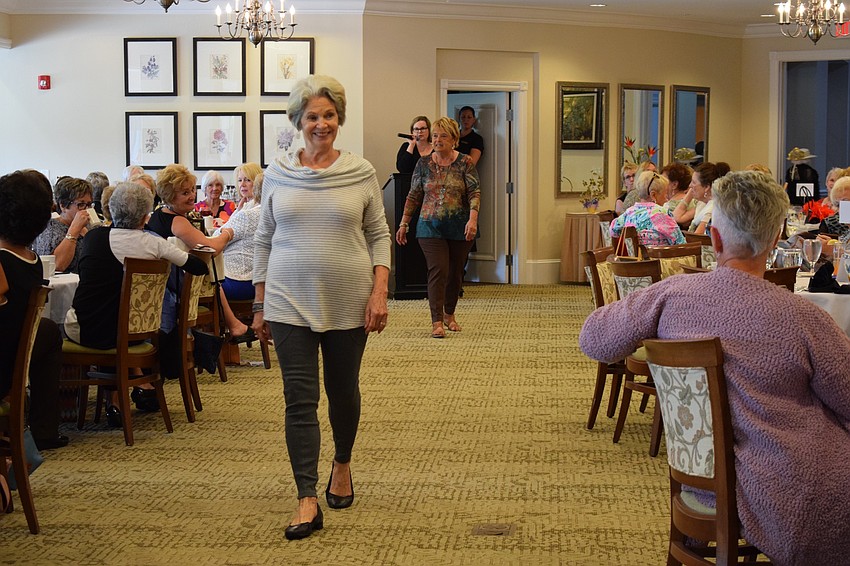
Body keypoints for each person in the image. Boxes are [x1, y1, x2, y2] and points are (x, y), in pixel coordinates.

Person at [579, 170, 850, 565]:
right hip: (794, 487)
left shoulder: (670, 295)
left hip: (703, 478)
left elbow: (594, 340)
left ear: (715, 238)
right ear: (774, 241)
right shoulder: (804, 318)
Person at [251, 75, 391, 541]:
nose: (321, 123)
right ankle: (306, 497)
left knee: (343, 391)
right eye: (312, 116)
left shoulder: (360, 171)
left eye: (329, 115)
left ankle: (343, 462)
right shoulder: (277, 173)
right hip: (288, 301)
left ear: (339, 119)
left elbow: (378, 235)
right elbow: (264, 238)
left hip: (349, 301)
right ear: (297, 121)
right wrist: (258, 302)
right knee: (299, 401)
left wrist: (379, 291)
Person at [64, 182, 208, 424]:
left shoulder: (94, 239)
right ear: (145, 216)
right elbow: (199, 267)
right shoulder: (155, 243)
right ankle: (139, 385)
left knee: (99, 314)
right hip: (139, 333)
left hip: (87, 330)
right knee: (118, 323)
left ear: (111, 209)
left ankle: (111, 400)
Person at [146, 164, 253, 379]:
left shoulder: (157, 216)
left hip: (157, 292)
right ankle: (231, 326)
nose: (192, 196)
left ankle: (232, 326)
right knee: (214, 279)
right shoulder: (178, 222)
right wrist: (228, 233)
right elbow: (210, 249)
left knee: (215, 280)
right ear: (169, 195)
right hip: (178, 296)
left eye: (192, 190)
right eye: (184, 192)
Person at [0, 170, 67, 450]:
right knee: (50, 330)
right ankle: (44, 427)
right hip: (15, 353)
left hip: (3, 359)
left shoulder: (2, 262)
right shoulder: (33, 260)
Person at [396, 116, 480, 338]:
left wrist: (473, 219)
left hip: (460, 225)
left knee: (454, 274)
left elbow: (474, 192)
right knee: (439, 270)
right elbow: (414, 195)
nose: (437, 139)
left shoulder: (465, 162)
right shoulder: (423, 164)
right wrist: (404, 222)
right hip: (429, 226)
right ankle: (436, 321)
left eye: (443, 135)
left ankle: (449, 315)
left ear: (454, 139)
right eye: (435, 135)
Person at [217, 172, 263, 301]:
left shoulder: (247, 215)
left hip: (240, 280)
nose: (242, 184)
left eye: (248, 180)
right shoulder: (273, 211)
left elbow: (217, 240)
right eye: (240, 180)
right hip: (262, 280)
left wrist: (237, 212)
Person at [33, 176, 94, 273]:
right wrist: (74, 230)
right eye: (81, 204)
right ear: (63, 206)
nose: (86, 209)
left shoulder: (89, 227)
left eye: (89, 204)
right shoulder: (50, 229)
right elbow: (57, 265)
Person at [610, 171, 685, 247]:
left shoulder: (629, 212)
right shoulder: (662, 214)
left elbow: (613, 231)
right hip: (658, 258)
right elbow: (680, 243)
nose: (667, 199)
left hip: (634, 258)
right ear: (653, 195)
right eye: (665, 194)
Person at [673, 162, 721, 234]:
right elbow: (677, 217)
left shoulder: (713, 207)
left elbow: (697, 237)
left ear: (706, 187)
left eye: (694, 182)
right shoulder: (702, 203)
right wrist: (690, 193)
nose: (690, 185)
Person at [660, 162, 694, 228]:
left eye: (663, 180)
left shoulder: (668, 206)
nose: (660, 183)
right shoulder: (695, 202)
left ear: (674, 185)